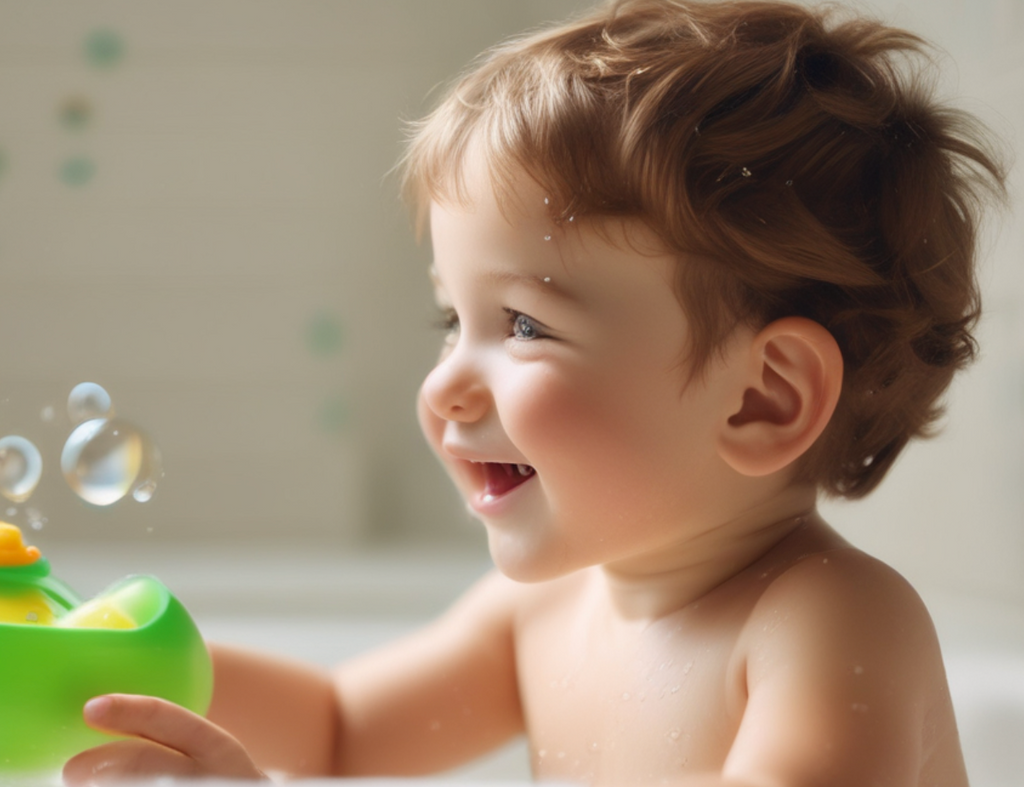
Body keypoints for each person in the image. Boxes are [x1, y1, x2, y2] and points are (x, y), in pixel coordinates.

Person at [62, 1, 1007, 785]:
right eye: (451, 322)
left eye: (522, 325)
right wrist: (103, 666)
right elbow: (341, 729)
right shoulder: (546, 609)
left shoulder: (825, 629)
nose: (445, 387)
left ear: (761, 397)